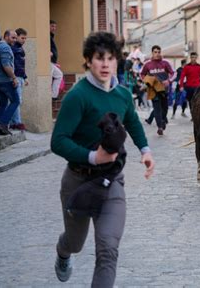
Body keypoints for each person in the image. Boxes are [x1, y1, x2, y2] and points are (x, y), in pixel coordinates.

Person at [51, 31, 155, 287]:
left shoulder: (121, 95)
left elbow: (131, 119)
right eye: (99, 58)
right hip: (78, 181)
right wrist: (92, 157)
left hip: (111, 181)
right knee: (75, 242)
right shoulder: (78, 96)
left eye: (111, 58)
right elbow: (58, 141)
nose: (106, 64)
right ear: (88, 60)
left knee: (107, 250)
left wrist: (145, 150)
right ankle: (63, 253)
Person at [140, 45, 174, 135]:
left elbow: (173, 73)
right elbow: (142, 74)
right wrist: (146, 80)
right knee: (157, 108)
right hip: (153, 89)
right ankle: (160, 127)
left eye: (159, 52)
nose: (157, 54)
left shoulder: (165, 63)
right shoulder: (147, 64)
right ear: (152, 53)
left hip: (164, 89)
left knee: (165, 108)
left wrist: (169, 80)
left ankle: (163, 121)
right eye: (155, 52)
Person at [0, 30, 19, 135]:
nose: (15, 40)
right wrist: (14, 78)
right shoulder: (5, 48)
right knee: (15, 101)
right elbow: (6, 66)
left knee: (2, 103)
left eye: (16, 38)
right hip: (5, 81)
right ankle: (3, 123)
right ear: (6, 37)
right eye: (13, 37)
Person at [10, 28, 29, 130]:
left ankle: (14, 122)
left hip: (20, 77)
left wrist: (25, 77)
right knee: (17, 100)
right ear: (16, 37)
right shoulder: (13, 48)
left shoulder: (20, 49)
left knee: (18, 100)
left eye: (25, 38)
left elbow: (21, 65)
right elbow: (14, 65)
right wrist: (14, 78)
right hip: (15, 77)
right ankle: (16, 122)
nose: (24, 40)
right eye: (22, 38)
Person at [50, 20, 64, 99]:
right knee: (49, 77)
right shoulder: (47, 36)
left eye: (55, 26)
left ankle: (54, 95)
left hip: (52, 62)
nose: (54, 28)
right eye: (52, 26)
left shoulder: (51, 36)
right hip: (48, 62)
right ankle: (49, 94)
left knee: (59, 75)